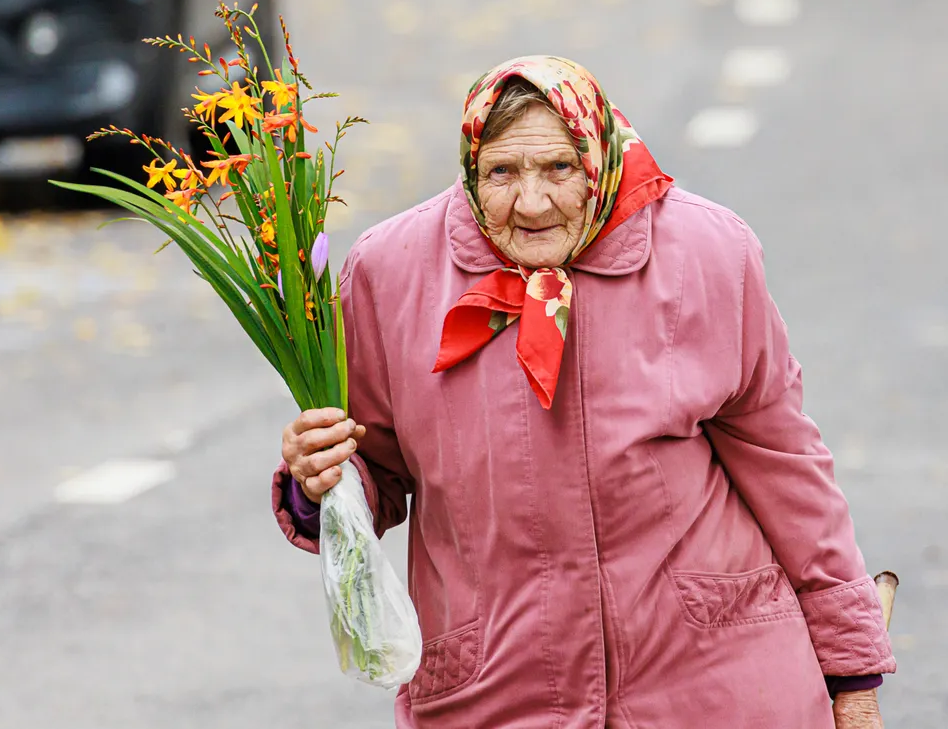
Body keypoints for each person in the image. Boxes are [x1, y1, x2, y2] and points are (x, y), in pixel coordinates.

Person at [272, 56, 894, 728]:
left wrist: (852, 669)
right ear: (470, 169)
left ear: (597, 157)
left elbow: (787, 467)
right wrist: (322, 483)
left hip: (710, 687)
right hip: (500, 693)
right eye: (502, 173)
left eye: (558, 168)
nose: (531, 202)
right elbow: (378, 466)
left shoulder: (706, 252)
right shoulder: (390, 273)